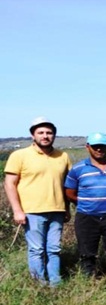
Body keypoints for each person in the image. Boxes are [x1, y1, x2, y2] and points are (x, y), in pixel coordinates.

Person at [3, 117, 72, 287]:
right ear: (33, 135)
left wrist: (67, 208)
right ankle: (39, 285)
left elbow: (67, 186)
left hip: (57, 210)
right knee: (37, 250)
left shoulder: (62, 156)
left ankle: (55, 284)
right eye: (41, 132)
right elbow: (9, 184)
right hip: (32, 211)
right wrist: (17, 210)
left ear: (54, 135)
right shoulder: (19, 155)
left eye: (49, 132)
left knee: (54, 249)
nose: (45, 136)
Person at [64, 132, 106, 281]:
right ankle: (88, 282)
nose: (99, 149)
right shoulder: (78, 169)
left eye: (102, 146)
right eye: (95, 146)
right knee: (87, 253)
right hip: (86, 216)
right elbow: (69, 192)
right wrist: (87, 203)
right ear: (88, 147)